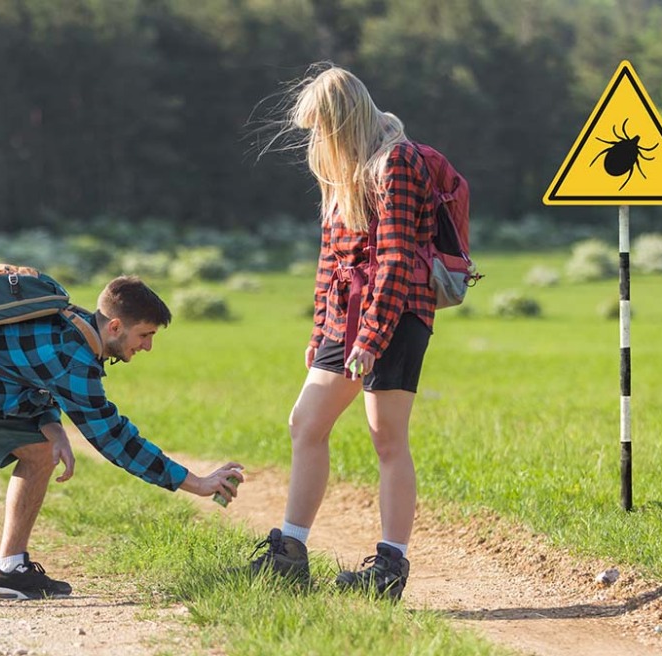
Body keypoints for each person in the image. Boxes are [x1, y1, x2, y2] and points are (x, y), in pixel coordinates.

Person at [0, 275, 244, 600]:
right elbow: (115, 439)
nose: (147, 346)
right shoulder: (72, 353)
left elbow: (22, 370)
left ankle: (10, 571)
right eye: (144, 334)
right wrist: (195, 482)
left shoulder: (72, 326)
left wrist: (51, 423)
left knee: (42, 452)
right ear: (114, 327)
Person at [246, 64, 437, 600]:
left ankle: (389, 569)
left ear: (343, 121)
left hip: (398, 315)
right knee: (306, 422)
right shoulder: (342, 171)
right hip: (346, 319)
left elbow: (397, 260)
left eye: (321, 130)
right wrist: (322, 330)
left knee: (387, 437)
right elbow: (331, 258)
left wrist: (370, 340)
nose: (317, 142)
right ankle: (289, 554)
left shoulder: (396, 162)